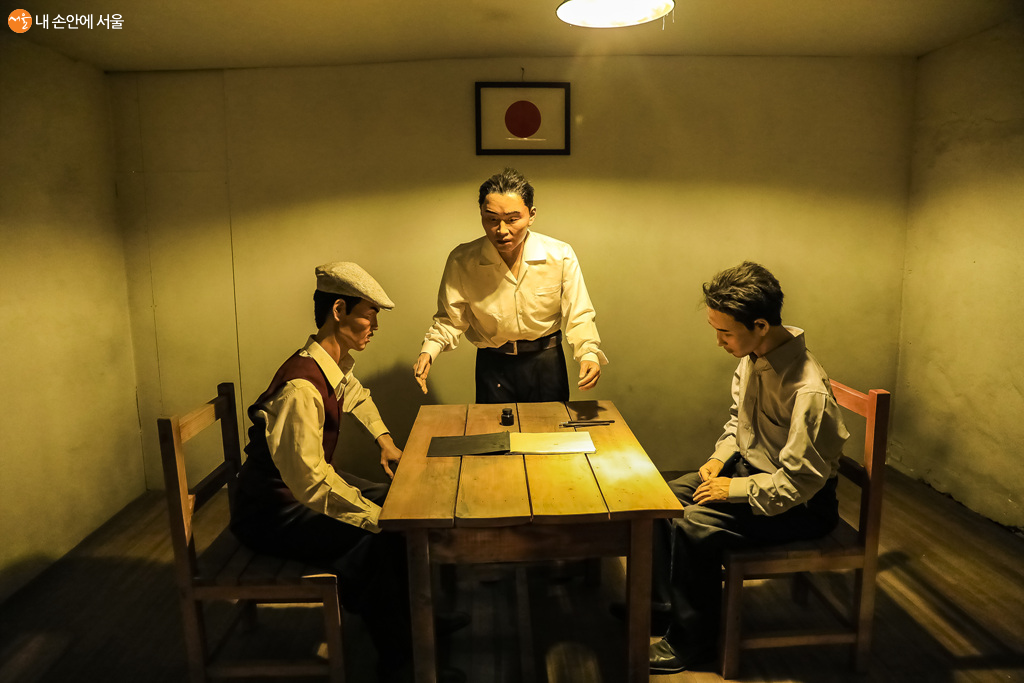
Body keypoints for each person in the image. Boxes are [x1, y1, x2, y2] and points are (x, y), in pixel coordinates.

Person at [648, 261, 850, 674]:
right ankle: (667, 607)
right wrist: (719, 459)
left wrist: (732, 490)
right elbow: (738, 424)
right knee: (658, 499)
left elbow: (800, 482)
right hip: (751, 473)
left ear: (760, 325)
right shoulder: (754, 355)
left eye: (725, 333)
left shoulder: (807, 389)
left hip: (800, 506)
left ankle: (692, 641)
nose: (718, 342)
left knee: (696, 523)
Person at [229, 261, 416, 681]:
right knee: (383, 531)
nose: (374, 327)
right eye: (369, 315)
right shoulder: (300, 388)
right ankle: (400, 655)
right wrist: (373, 519)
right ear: (338, 310)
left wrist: (384, 440)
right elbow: (311, 484)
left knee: (399, 504)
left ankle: (412, 620)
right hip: (271, 514)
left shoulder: (328, 364)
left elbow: (355, 394)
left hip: (293, 495)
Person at [412, 168, 607, 403]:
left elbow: (579, 313)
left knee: (551, 426)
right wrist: (429, 351)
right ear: (481, 214)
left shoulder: (559, 255)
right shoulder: (462, 260)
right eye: (492, 219)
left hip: (546, 361)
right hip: (493, 364)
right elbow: (450, 320)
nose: (502, 230)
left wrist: (588, 353)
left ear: (531, 215)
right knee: (493, 427)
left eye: (513, 219)